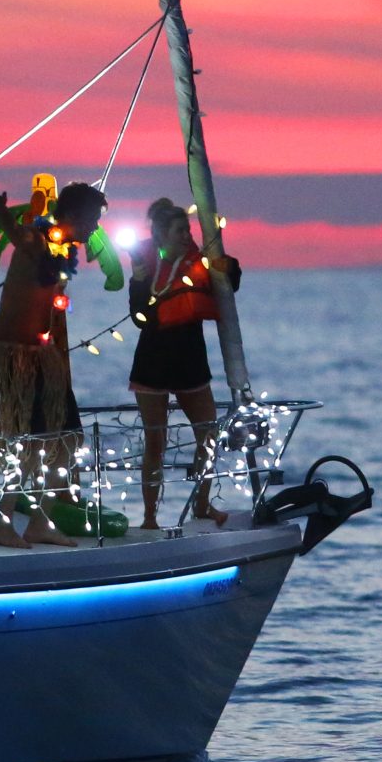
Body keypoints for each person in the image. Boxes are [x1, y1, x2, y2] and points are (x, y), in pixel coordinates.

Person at [0, 179, 106, 548]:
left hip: (44, 357)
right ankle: (3, 525)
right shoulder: (35, 240)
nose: (95, 227)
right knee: (21, 441)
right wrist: (0, 212)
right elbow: (18, 234)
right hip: (13, 355)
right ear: (73, 214)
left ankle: (41, 522)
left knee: (62, 437)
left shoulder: (63, 250)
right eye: (92, 218)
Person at [125, 197, 239, 531]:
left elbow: (231, 280)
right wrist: (136, 281)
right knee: (155, 444)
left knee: (208, 435)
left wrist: (227, 265)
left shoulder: (201, 263)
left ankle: (202, 505)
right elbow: (138, 318)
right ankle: (149, 518)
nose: (187, 235)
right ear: (161, 234)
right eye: (180, 230)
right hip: (152, 363)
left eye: (187, 229)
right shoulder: (146, 267)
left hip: (190, 363)